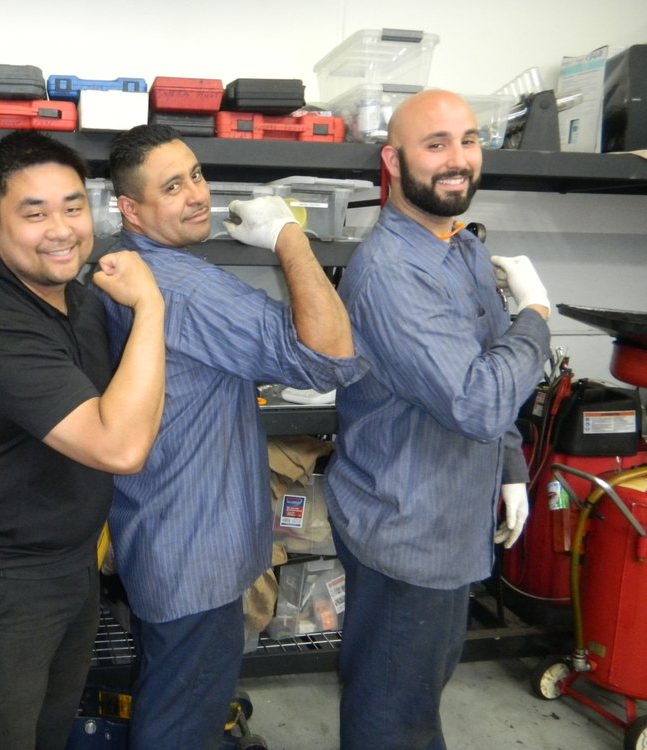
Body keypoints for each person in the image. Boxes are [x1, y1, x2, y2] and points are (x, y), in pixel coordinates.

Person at [100, 123, 368, 749]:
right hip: (195, 553)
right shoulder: (184, 287)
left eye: (195, 175)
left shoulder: (128, 266)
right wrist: (287, 236)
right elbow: (330, 357)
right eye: (172, 187)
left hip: (165, 532)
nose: (198, 194)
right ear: (131, 209)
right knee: (179, 719)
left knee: (180, 694)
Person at [324, 89, 552, 749]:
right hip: (408, 533)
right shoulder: (391, 273)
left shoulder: (464, 249)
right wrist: (536, 316)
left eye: (469, 140)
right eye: (436, 144)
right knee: (392, 715)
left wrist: (509, 466)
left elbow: (491, 366)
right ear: (394, 161)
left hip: (453, 521)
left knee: (417, 695)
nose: (458, 159)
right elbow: (480, 400)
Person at [0, 130, 165, 750]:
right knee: (0, 738)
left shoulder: (76, 300)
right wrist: (151, 308)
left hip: (68, 559)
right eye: (33, 213)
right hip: (5, 580)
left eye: (72, 207)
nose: (60, 230)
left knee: (49, 730)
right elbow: (119, 447)